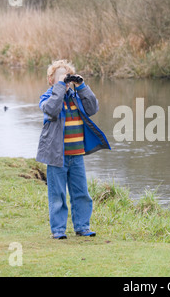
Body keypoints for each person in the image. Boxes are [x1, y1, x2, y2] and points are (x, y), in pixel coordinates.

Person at [36, 60, 111, 239]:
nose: (65, 83)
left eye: (67, 79)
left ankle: (83, 227)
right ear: (50, 80)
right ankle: (59, 230)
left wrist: (82, 86)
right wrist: (60, 86)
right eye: (61, 79)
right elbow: (52, 110)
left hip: (76, 155)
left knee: (81, 193)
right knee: (57, 195)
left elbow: (93, 107)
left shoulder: (76, 98)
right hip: (56, 157)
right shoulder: (47, 98)